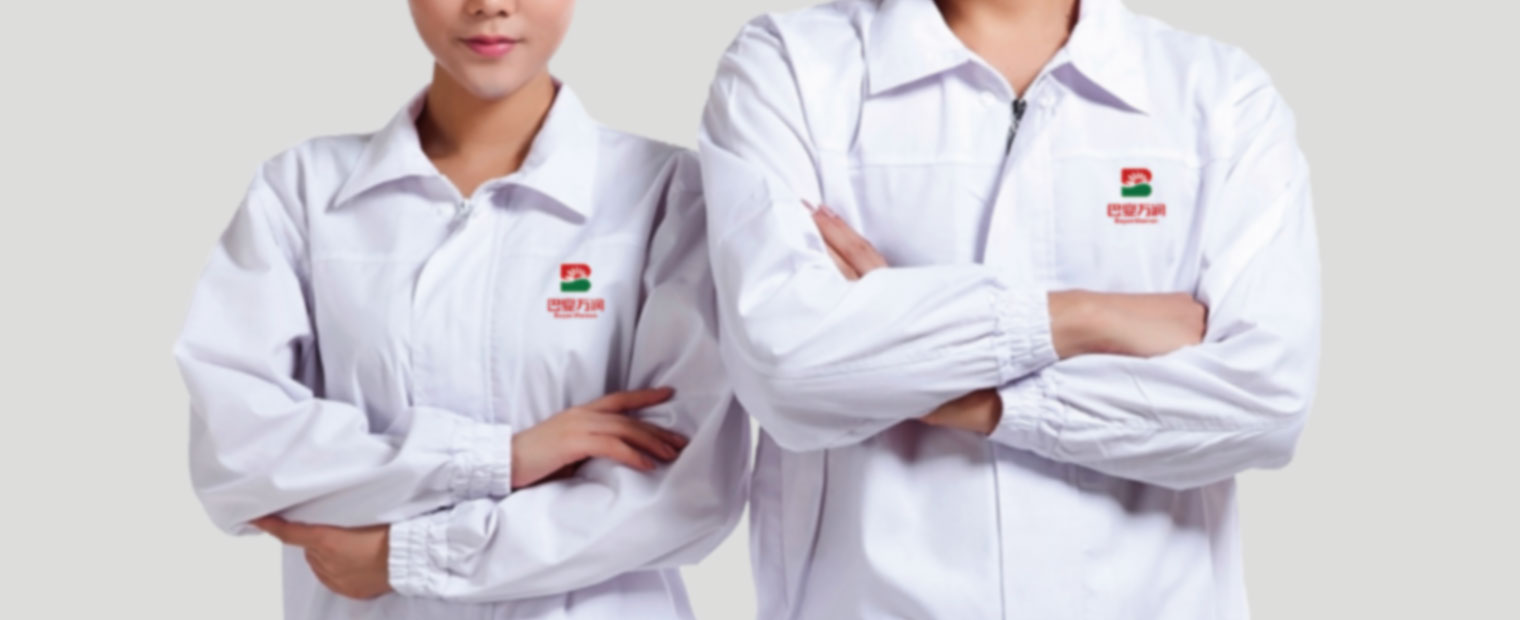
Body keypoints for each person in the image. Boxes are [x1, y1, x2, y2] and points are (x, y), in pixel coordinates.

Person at [699, 0, 1320, 617]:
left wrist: (962, 389)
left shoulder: (1219, 95)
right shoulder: (790, 69)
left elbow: (1267, 401)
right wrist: (1083, 319)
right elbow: (786, 366)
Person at [174, 1, 748, 618]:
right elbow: (240, 455)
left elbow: (682, 495)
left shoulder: (667, 195)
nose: (491, 5)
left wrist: (405, 557)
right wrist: (501, 459)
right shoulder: (302, 193)